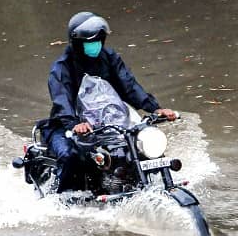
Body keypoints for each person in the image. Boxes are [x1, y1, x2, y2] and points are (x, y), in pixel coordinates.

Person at [43, 11, 177, 193]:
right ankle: (63, 200)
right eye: (90, 42)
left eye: (98, 40)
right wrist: (75, 124)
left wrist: (155, 108)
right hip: (66, 126)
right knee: (70, 156)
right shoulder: (62, 68)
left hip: (108, 120)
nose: (95, 45)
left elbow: (129, 85)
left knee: (141, 146)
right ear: (77, 42)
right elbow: (62, 101)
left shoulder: (108, 57)